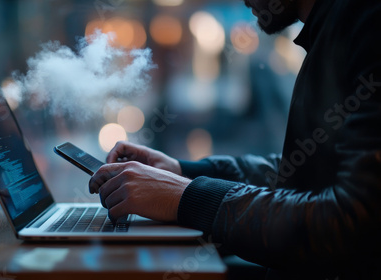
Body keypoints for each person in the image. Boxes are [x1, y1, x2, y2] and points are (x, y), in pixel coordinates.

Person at [89, 0, 381, 278]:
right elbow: (309, 174)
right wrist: (184, 172)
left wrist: (187, 197)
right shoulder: (337, 25)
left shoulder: (368, 22)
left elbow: (350, 223)